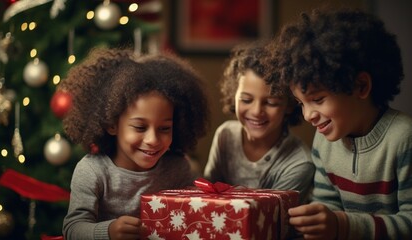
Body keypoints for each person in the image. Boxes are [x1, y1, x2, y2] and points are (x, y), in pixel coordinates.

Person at [269, 8, 412, 239]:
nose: (307, 115)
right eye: (301, 103)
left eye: (317, 99)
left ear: (360, 86)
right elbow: (327, 207)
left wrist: (343, 225)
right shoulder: (324, 141)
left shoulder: (404, 138)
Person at [61, 48, 210, 240]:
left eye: (164, 129)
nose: (153, 140)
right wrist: (108, 231)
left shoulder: (178, 168)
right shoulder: (92, 171)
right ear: (111, 124)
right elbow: (72, 229)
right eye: (140, 127)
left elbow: (191, 219)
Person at [203, 40, 315, 204]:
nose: (256, 112)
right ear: (234, 95)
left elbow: (271, 220)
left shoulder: (299, 164)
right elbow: (206, 195)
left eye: (270, 103)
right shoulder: (225, 135)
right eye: (246, 100)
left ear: (290, 104)